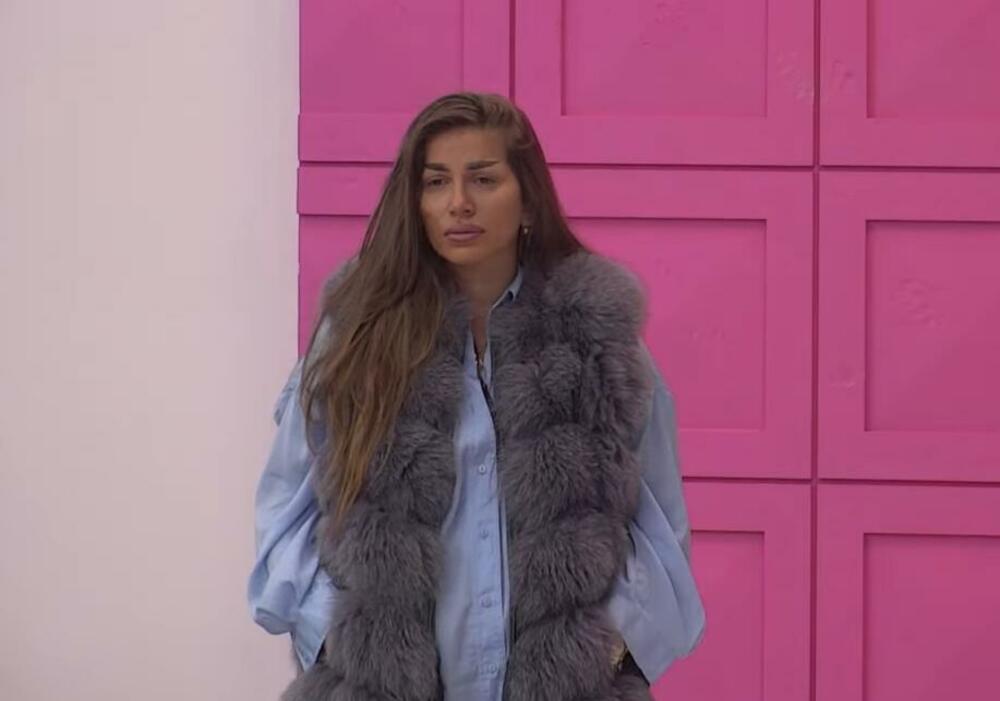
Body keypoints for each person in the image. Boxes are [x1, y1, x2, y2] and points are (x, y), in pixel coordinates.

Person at [248, 92, 705, 701]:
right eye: (436, 182)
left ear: (527, 199)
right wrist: (338, 638)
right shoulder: (356, 338)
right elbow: (285, 511)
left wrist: (605, 645)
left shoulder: (596, 343)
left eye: (483, 179)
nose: (458, 202)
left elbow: (660, 523)